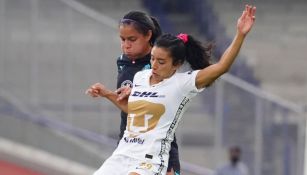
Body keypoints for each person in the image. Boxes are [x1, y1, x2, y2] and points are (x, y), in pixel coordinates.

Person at [86, 5, 256, 175]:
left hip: (148, 160)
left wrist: (240, 35)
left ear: (176, 64)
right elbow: (134, 111)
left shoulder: (182, 84)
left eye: (161, 62)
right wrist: (107, 93)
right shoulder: (141, 77)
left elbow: (221, 67)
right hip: (122, 155)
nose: (154, 65)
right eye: (152, 58)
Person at [90, 11, 181, 174]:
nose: (126, 45)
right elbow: (128, 105)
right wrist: (106, 93)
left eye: (132, 39)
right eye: (122, 39)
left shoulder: (159, 65)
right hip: (128, 141)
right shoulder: (123, 61)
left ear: (148, 35)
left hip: (156, 146)